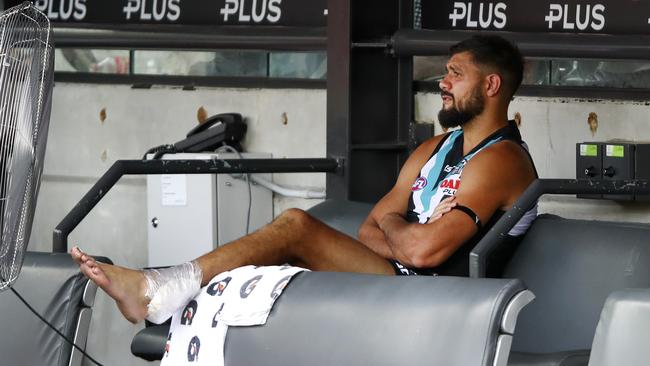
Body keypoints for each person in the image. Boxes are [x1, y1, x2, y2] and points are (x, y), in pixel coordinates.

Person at [71, 35, 537, 324]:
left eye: (456, 75)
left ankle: (158, 288)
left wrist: (398, 231)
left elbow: (423, 251)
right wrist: (402, 234)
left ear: (491, 86)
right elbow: (368, 230)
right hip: (399, 277)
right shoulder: (431, 150)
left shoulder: (504, 160)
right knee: (277, 263)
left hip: (441, 299)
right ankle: (162, 293)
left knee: (295, 226)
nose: (443, 83)